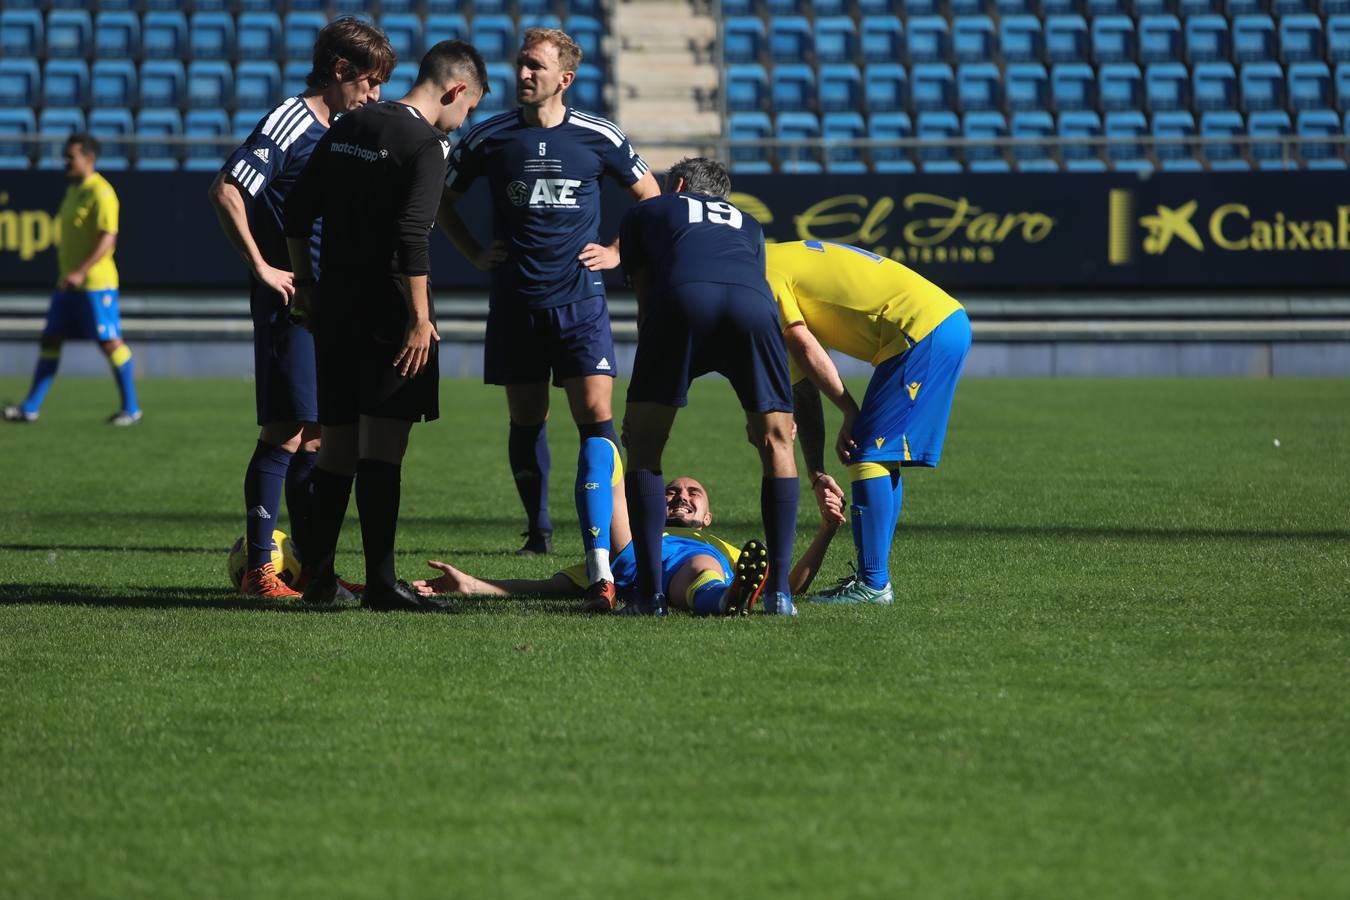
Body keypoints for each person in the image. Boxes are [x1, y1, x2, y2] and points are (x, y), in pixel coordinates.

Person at [438, 27, 661, 563]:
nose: (522, 75)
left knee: (594, 415)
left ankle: (606, 537)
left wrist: (616, 252)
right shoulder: (487, 137)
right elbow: (439, 199)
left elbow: (651, 198)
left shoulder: (599, 135)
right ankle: (537, 533)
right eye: (520, 64)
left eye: (535, 66)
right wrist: (471, 251)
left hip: (580, 301)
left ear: (565, 77)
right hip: (516, 303)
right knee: (527, 418)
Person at [282, 40, 488, 612]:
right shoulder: (425, 145)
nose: (462, 121)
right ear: (454, 91)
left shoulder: (350, 123)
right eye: (467, 110)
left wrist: (308, 287)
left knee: (336, 450)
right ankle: (380, 584)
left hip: (335, 310)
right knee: (384, 452)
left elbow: (297, 211)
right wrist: (419, 319)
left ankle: (319, 582)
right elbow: (411, 237)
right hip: (390, 315)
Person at [207, 17, 394, 598]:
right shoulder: (291, 120)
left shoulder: (345, 129)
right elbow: (228, 189)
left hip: (329, 303)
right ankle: (262, 571)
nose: (376, 95)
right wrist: (263, 266)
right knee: (287, 430)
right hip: (292, 300)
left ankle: (315, 569)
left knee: (317, 435)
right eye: (369, 82)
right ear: (340, 72)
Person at [618, 157, 799, 616]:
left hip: (682, 300)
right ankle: (780, 593)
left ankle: (650, 596)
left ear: (677, 185)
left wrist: (642, 396)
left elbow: (646, 302)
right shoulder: (751, 224)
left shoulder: (648, 211)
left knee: (645, 447)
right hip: (754, 310)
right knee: (777, 442)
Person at [764, 241, 973, 605]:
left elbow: (803, 345)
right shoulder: (774, 259)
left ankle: (874, 584)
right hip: (932, 324)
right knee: (878, 454)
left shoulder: (762, 271)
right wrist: (816, 473)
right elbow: (804, 389)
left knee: (867, 454)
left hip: (920, 329)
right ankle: (873, 581)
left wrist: (849, 410)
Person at [412, 451, 843, 615]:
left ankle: (729, 598)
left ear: (708, 516)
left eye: (694, 493)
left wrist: (825, 531)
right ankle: (606, 577)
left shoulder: (722, 547)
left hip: (690, 567)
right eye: (672, 491)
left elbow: (788, 586)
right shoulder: (650, 520)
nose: (682, 496)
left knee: (701, 566)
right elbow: (548, 587)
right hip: (631, 546)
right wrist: (471, 584)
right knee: (600, 447)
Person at [4, 134, 140, 426]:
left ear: (89, 159)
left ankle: (131, 409)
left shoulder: (101, 192)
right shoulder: (73, 191)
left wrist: (81, 270)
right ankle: (30, 408)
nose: (65, 161)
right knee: (50, 339)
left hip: (95, 283)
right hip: (68, 283)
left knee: (109, 342)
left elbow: (108, 238)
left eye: (71, 156)